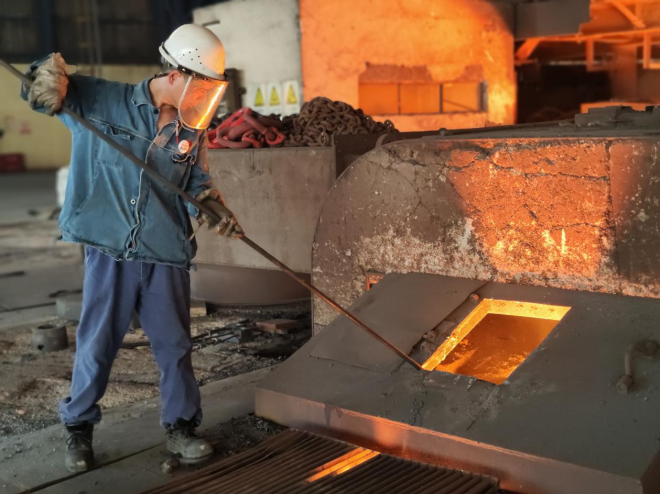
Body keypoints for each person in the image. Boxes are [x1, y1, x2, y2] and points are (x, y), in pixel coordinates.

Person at [22, 24, 242, 472]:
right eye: (201, 87)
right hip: (110, 250)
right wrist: (46, 76)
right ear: (176, 75)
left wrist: (211, 204)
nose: (204, 98)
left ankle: (181, 428)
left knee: (175, 347)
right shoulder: (102, 99)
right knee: (97, 345)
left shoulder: (190, 128)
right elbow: (44, 92)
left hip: (164, 250)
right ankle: (79, 429)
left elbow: (195, 180)